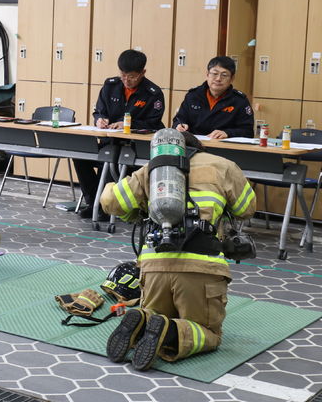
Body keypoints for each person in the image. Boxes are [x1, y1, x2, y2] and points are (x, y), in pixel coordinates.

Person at [100, 130, 256, 371]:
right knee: (207, 332)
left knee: (154, 312)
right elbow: (246, 208)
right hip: (202, 268)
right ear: (200, 149)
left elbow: (111, 203)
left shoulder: (152, 170)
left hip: (154, 268)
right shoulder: (224, 166)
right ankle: (169, 330)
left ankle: (144, 320)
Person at [74, 49, 165, 218]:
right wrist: (100, 119)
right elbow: (99, 111)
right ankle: (94, 201)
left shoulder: (153, 93)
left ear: (142, 73)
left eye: (131, 76)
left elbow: (153, 123)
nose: (126, 80)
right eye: (123, 75)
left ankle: (106, 207)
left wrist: (127, 125)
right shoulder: (110, 86)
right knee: (79, 155)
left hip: (135, 145)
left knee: (112, 156)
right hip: (109, 140)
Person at [173, 56, 254, 139]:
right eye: (215, 74)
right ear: (207, 75)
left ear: (232, 79)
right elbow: (179, 119)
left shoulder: (239, 101)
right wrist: (180, 125)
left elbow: (248, 131)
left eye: (224, 75)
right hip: (193, 144)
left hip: (223, 147)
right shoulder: (193, 95)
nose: (218, 79)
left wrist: (227, 133)